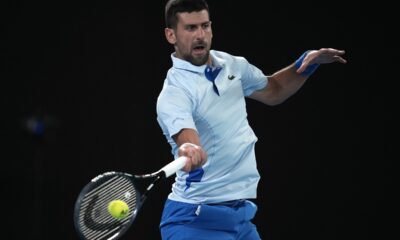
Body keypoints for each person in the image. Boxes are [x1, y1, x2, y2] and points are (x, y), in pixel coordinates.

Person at [156, 0, 347, 239]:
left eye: (205, 26)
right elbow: (186, 137)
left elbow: (275, 89)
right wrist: (190, 148)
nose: (200, 35)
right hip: (196, 221)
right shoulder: (174, 94)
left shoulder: (233, 65)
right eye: (191, 28)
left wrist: (307, 63)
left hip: (240, 216)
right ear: (171, 35)